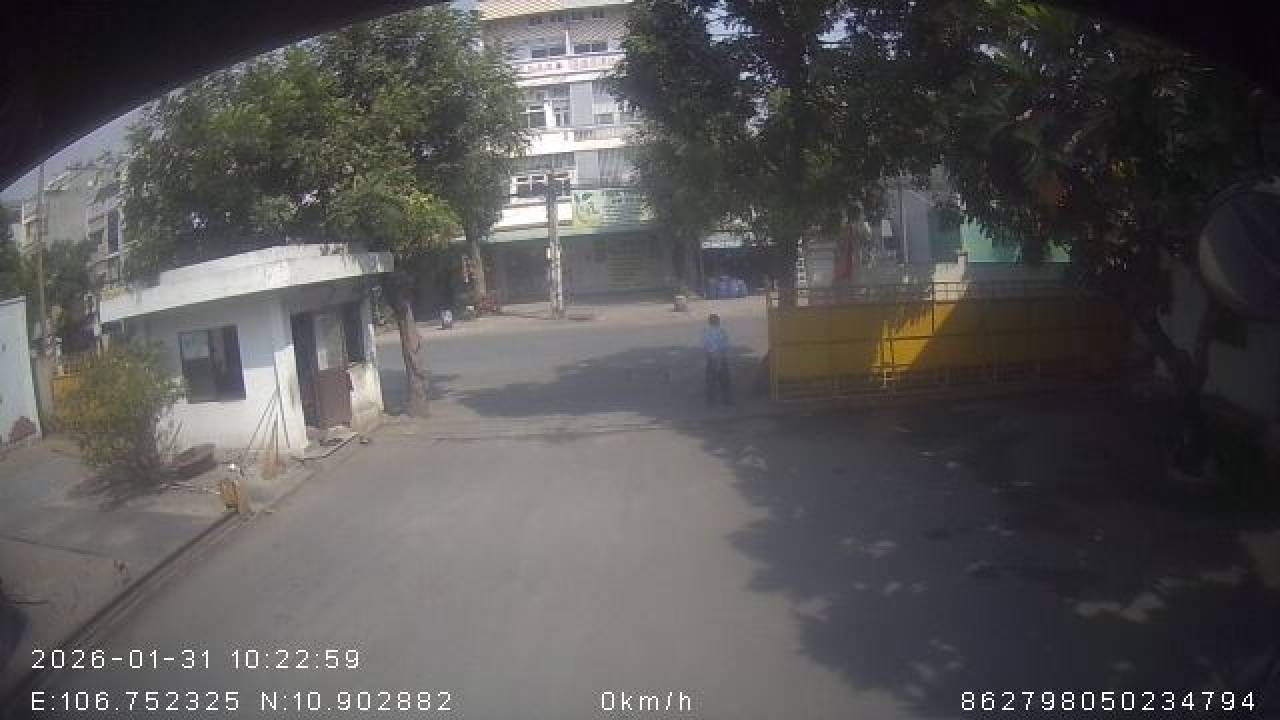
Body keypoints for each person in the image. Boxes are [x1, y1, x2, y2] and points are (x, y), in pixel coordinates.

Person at [701, 313, 733, 406]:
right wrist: (720, 355)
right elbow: (725, 345)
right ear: (718, 322)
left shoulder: (706, 332)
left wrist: (710, 355)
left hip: (711, 358)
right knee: (724, 381)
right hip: (721, 358)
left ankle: (711, 402)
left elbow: (704, 346)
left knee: (711, 382)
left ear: (709, 322)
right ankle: (726, 401)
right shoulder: (722, 331)